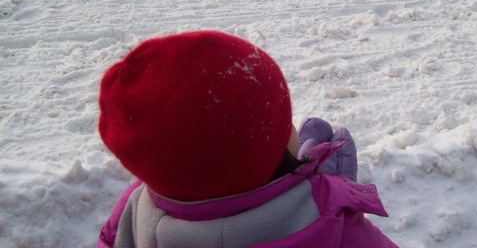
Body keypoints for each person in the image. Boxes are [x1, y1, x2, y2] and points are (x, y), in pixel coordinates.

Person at [96, 31, 398, 248]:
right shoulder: (338, 234)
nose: (292, 128)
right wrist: (336, 210)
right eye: (283, 126)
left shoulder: (134, 212)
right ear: (262, 159)